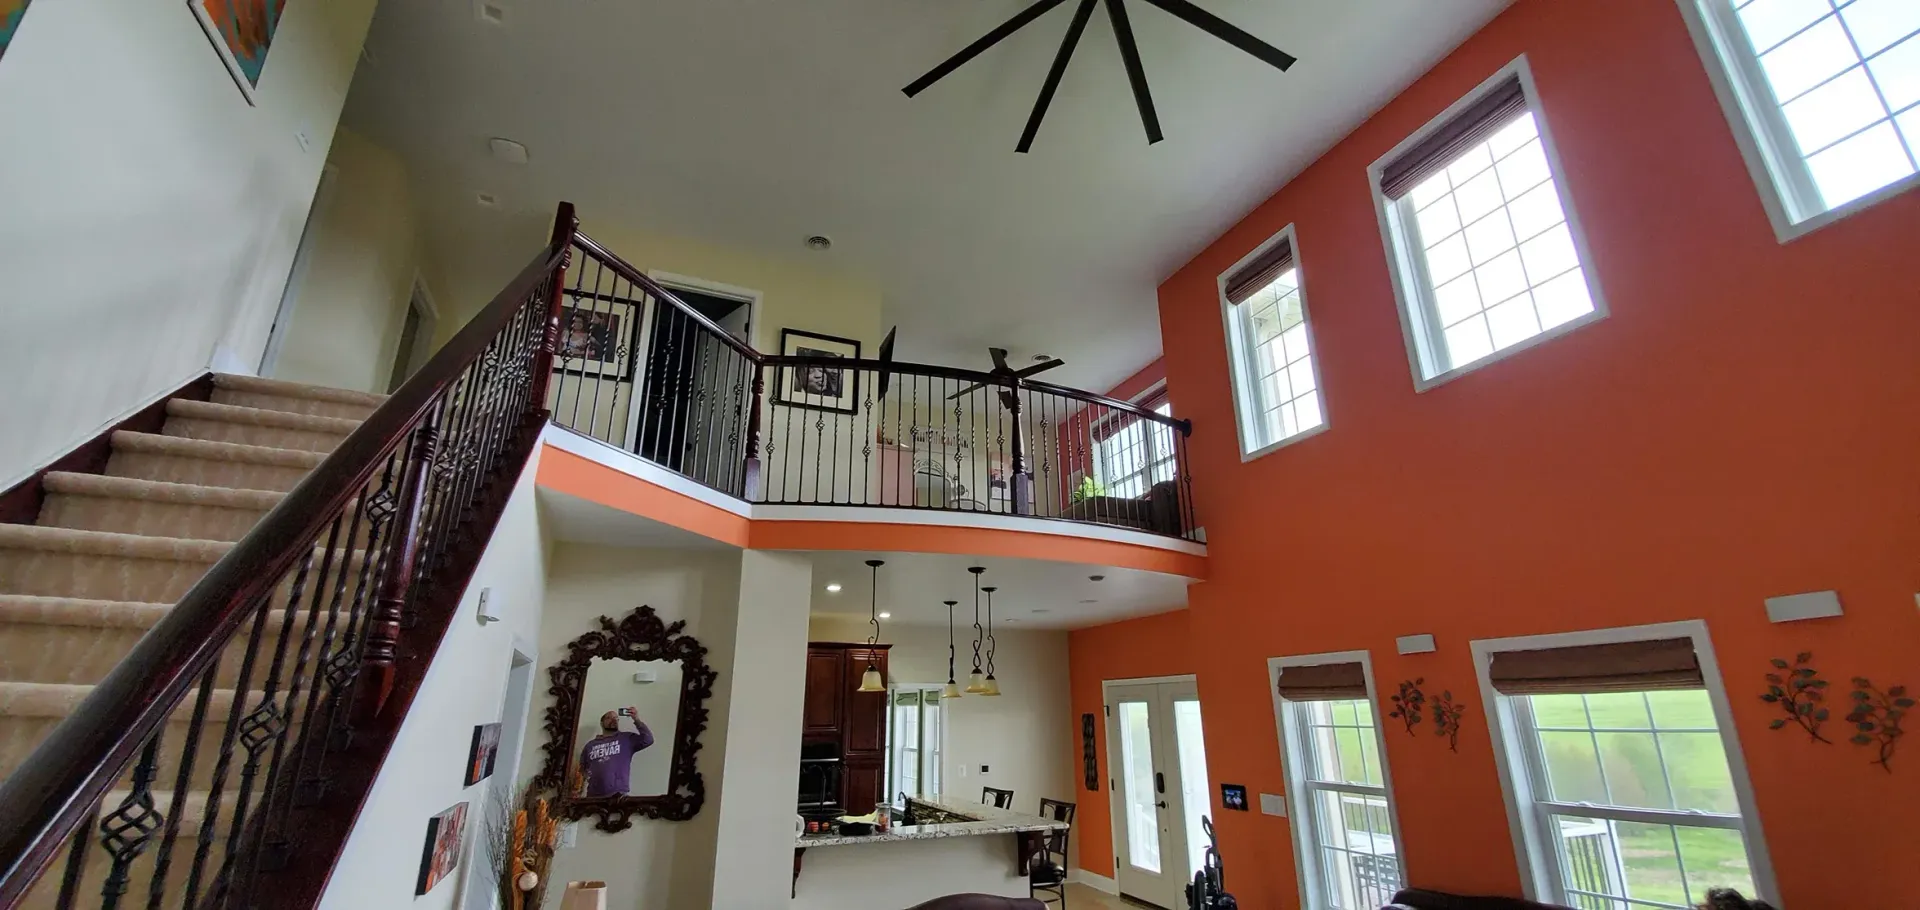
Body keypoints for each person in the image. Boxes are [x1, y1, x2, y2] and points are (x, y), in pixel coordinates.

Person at [579, 707, 653, 798]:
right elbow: (582, 769)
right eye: (609, 717)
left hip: (617, 796)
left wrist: (636, 719)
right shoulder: (590, 745)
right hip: (593, 795)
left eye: (616, 718)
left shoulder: (626, 738)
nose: (614, 720)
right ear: (602, 723)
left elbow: (648, 739)